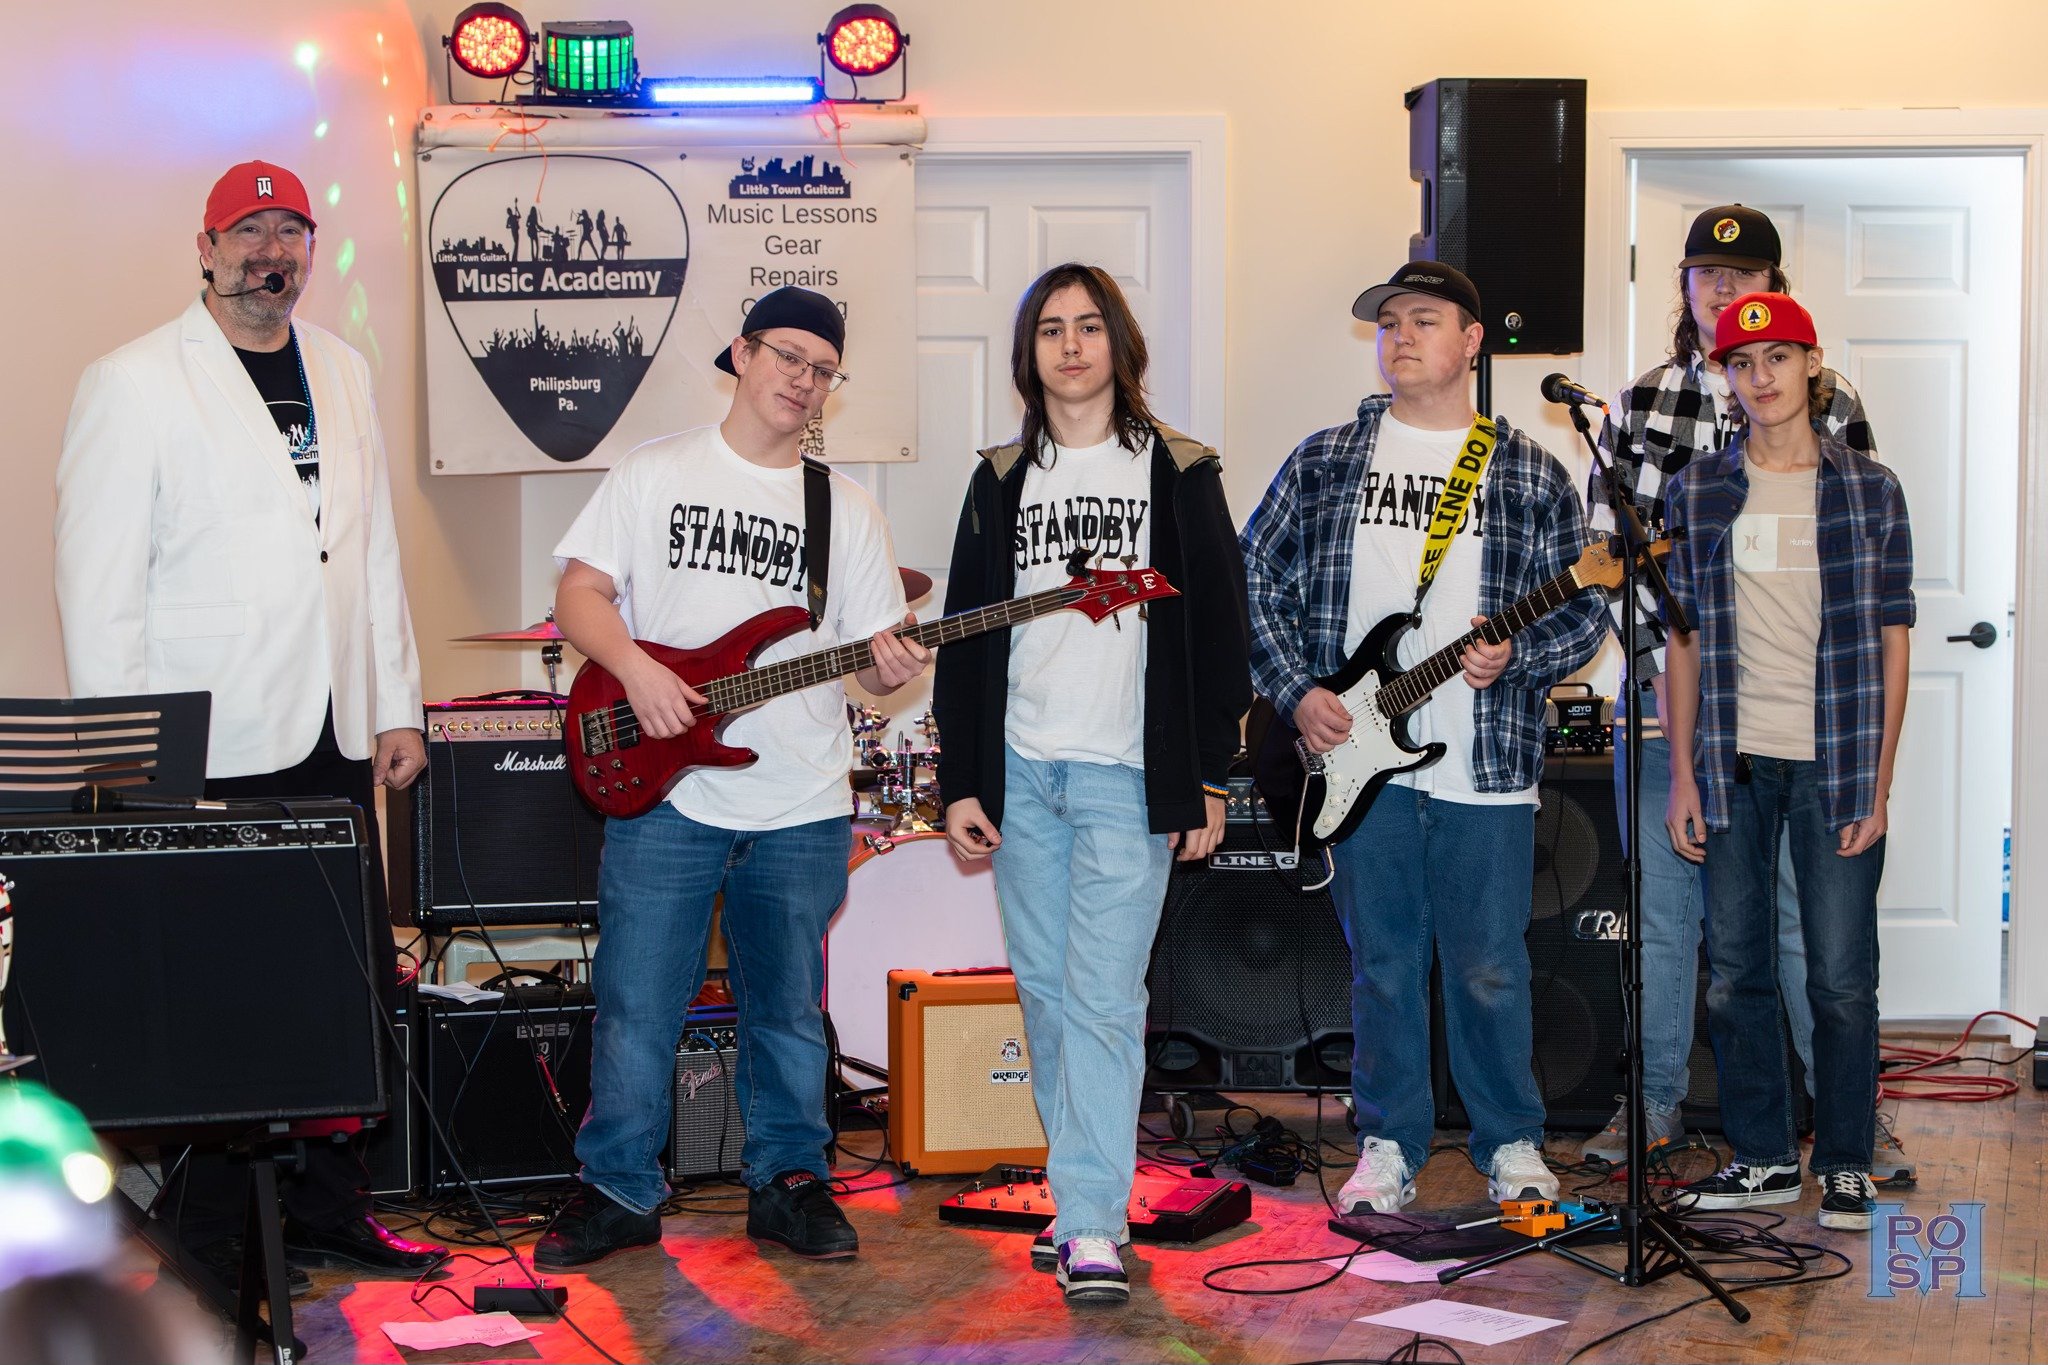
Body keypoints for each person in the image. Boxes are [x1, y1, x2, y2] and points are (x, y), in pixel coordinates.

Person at [53, 160, 442, 1289]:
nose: (274, 253)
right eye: (250, 233)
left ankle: (330, 1208)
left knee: (345, 978)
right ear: (207, 248)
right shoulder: (131, 382)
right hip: (206, 739)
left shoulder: (343, 368)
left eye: (293, 233)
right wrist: (128, 758)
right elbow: (97, 583)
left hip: (328, 725)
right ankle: (214, 1234)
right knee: (232, 991)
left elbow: (366, 554)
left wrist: (395, 705)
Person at [540, 287, 927, 1266]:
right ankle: (617, 1187)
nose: (802, 380)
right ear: (740, 356)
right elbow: (579, 595)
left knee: (787, 1009)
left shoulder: (843, 508)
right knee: (636, 1004)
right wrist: (637, 671)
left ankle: (790, 1182)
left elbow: (872, 656)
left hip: (798, 798)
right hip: (669, 794)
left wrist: (886, 670)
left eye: (821, 369)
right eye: (787, 357)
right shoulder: (653, 472)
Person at [1240, 261, 1605, 1215]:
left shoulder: (1526, 468)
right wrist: (1297, 691)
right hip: (1361, 766)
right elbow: (1251, 586)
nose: (1400, 335)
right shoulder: (1325, 460)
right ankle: (1388, 1142)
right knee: (1385, 966)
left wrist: (1516, 654)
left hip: (1485, 761)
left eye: (1424, 320)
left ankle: (1512, 1141)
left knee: (1490, 965)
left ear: (1473, 340)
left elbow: (1587, 615)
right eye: (1388, 322)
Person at [932, 263, 1251, 1304]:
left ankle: (1086, 1221)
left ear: (1119, 343)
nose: (1069, 346)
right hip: (1021, 774)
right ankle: (1082, 1203)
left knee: (1107, 998)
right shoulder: (996, 479)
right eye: (1049, 331)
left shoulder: (1179, 470)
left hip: (1126, 774)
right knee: (1048, 995)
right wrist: (961, 783)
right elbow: (963, 648)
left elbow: (1219, 634)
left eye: (1087, 327)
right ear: (1028, 355)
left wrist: (1206, 778)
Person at [1581, 204, 1907, 1181]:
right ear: (1682, 286)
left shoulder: (1839, 411)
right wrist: (1681, 684)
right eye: (1704, 273)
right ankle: (1652, 1110)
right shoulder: (1639, 410)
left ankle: (1847, 1127)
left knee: (1821, 950)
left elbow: (1864, 591)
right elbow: (1621, 564)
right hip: (1679, 715)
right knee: (1683, 935)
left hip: (1820, 737)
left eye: (1743, 271)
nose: (1722, 288)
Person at [1662, 293, 1912, 1233]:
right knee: (1733, 971)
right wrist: (1683, 773)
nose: (1760, 377)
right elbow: (1679, 644)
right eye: (1740, 362)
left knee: (1842, 976)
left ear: (1812, 364)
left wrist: (1878, 784)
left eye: (1777, 357)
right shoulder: (1698, 490)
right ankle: (1764, 1153)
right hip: (1732, 762)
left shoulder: (1869, 488)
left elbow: (1894, 641)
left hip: (1834, 764)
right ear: (1725, 378)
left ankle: (1845, 1160)